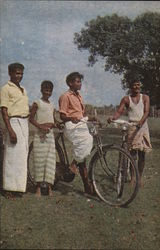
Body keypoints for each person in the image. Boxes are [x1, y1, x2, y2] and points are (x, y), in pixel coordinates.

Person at [108, 78, 152, 186]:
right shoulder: (126, 99)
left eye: (138, 85)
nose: (137, 87)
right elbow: (119, 111)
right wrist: (113, 118)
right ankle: (132, 177)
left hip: (142, 127)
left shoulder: (145, 97)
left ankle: (139, 178)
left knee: (142, 154)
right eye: (134, 85)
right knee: (132, 155)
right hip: (132, 126)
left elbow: (146, 112)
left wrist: (141, 122)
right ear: (130, 86)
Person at [59, 72, 97, 195]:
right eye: (77, 81)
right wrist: (71, 118)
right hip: (71, 126)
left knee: (83, 157)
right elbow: (62, 116)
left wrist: (91, 118)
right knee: (88, 141)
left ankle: (87, 187)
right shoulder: (65, 96)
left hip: (80, 124)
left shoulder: (79, 96)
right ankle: (73, 164)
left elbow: (81, 114)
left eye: (80, 81)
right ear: (70, 83)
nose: (80, 84)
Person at [0, 62, 29, 199]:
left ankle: (18, 187)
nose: (19, 76)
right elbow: (4, 111)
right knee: (12, 155)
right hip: (13, 122)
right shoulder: (6, 88)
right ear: (10, 73)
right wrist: (10, 130)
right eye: (17, 73)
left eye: (21, 73)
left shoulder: (23, 89)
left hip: (24, 122)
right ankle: (8, 189)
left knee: (22, 156)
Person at [29, 80, 58, 197]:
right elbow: (31, 119)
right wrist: (40, 126)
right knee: (39, 161)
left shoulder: (52, 105)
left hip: (50, 135)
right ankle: (38, 188)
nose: (48, 93)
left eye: (50, 91)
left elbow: (53, 119)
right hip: (40, 135)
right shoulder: (37, 103)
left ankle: (49, 188)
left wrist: (57, 124)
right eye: (45, 90)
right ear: (41, 90)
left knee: (50, 161)